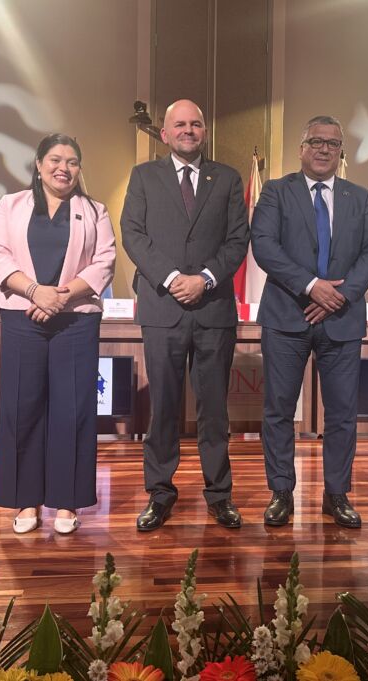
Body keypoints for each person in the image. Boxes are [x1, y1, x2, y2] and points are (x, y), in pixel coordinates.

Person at [120, 99, 249, 531]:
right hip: (163, 308)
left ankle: (220, 494)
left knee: (214, 409)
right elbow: (133, 235)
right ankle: (160, 493)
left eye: (196, 124)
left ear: (205, 131)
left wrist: (206, 279)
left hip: (213, 309)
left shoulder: (228, 179)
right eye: (180, 125)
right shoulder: (143, 177)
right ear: (165, 133)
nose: (188, 130)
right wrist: (174, 277)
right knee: (165, 408)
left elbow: (237, 240)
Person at [251, 115, 368, 528]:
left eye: (332, 143)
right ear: (301, 148)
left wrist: (338, 294)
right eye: (316, 141)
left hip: (341, 318)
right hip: (286, 316)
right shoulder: (275, 191)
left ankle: (336, 494)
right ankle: (281, 493)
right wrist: (312, 286)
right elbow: (264, 245)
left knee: (342, 413)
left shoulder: (359, 197)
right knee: (278, 410)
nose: (324, 149)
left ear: (341, 151)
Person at [0, 134, 116, 535]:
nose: (64, 168)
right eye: (55, 160)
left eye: (73, 161)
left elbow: (105, 261)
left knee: (73, 409)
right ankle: (26, 502)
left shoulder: (94, 210)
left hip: (75, 319)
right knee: (22, 407)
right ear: (39, 164)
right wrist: (34, 291)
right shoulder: (11, 205)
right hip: (22, 316)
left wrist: (58, 297)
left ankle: (67, 502)